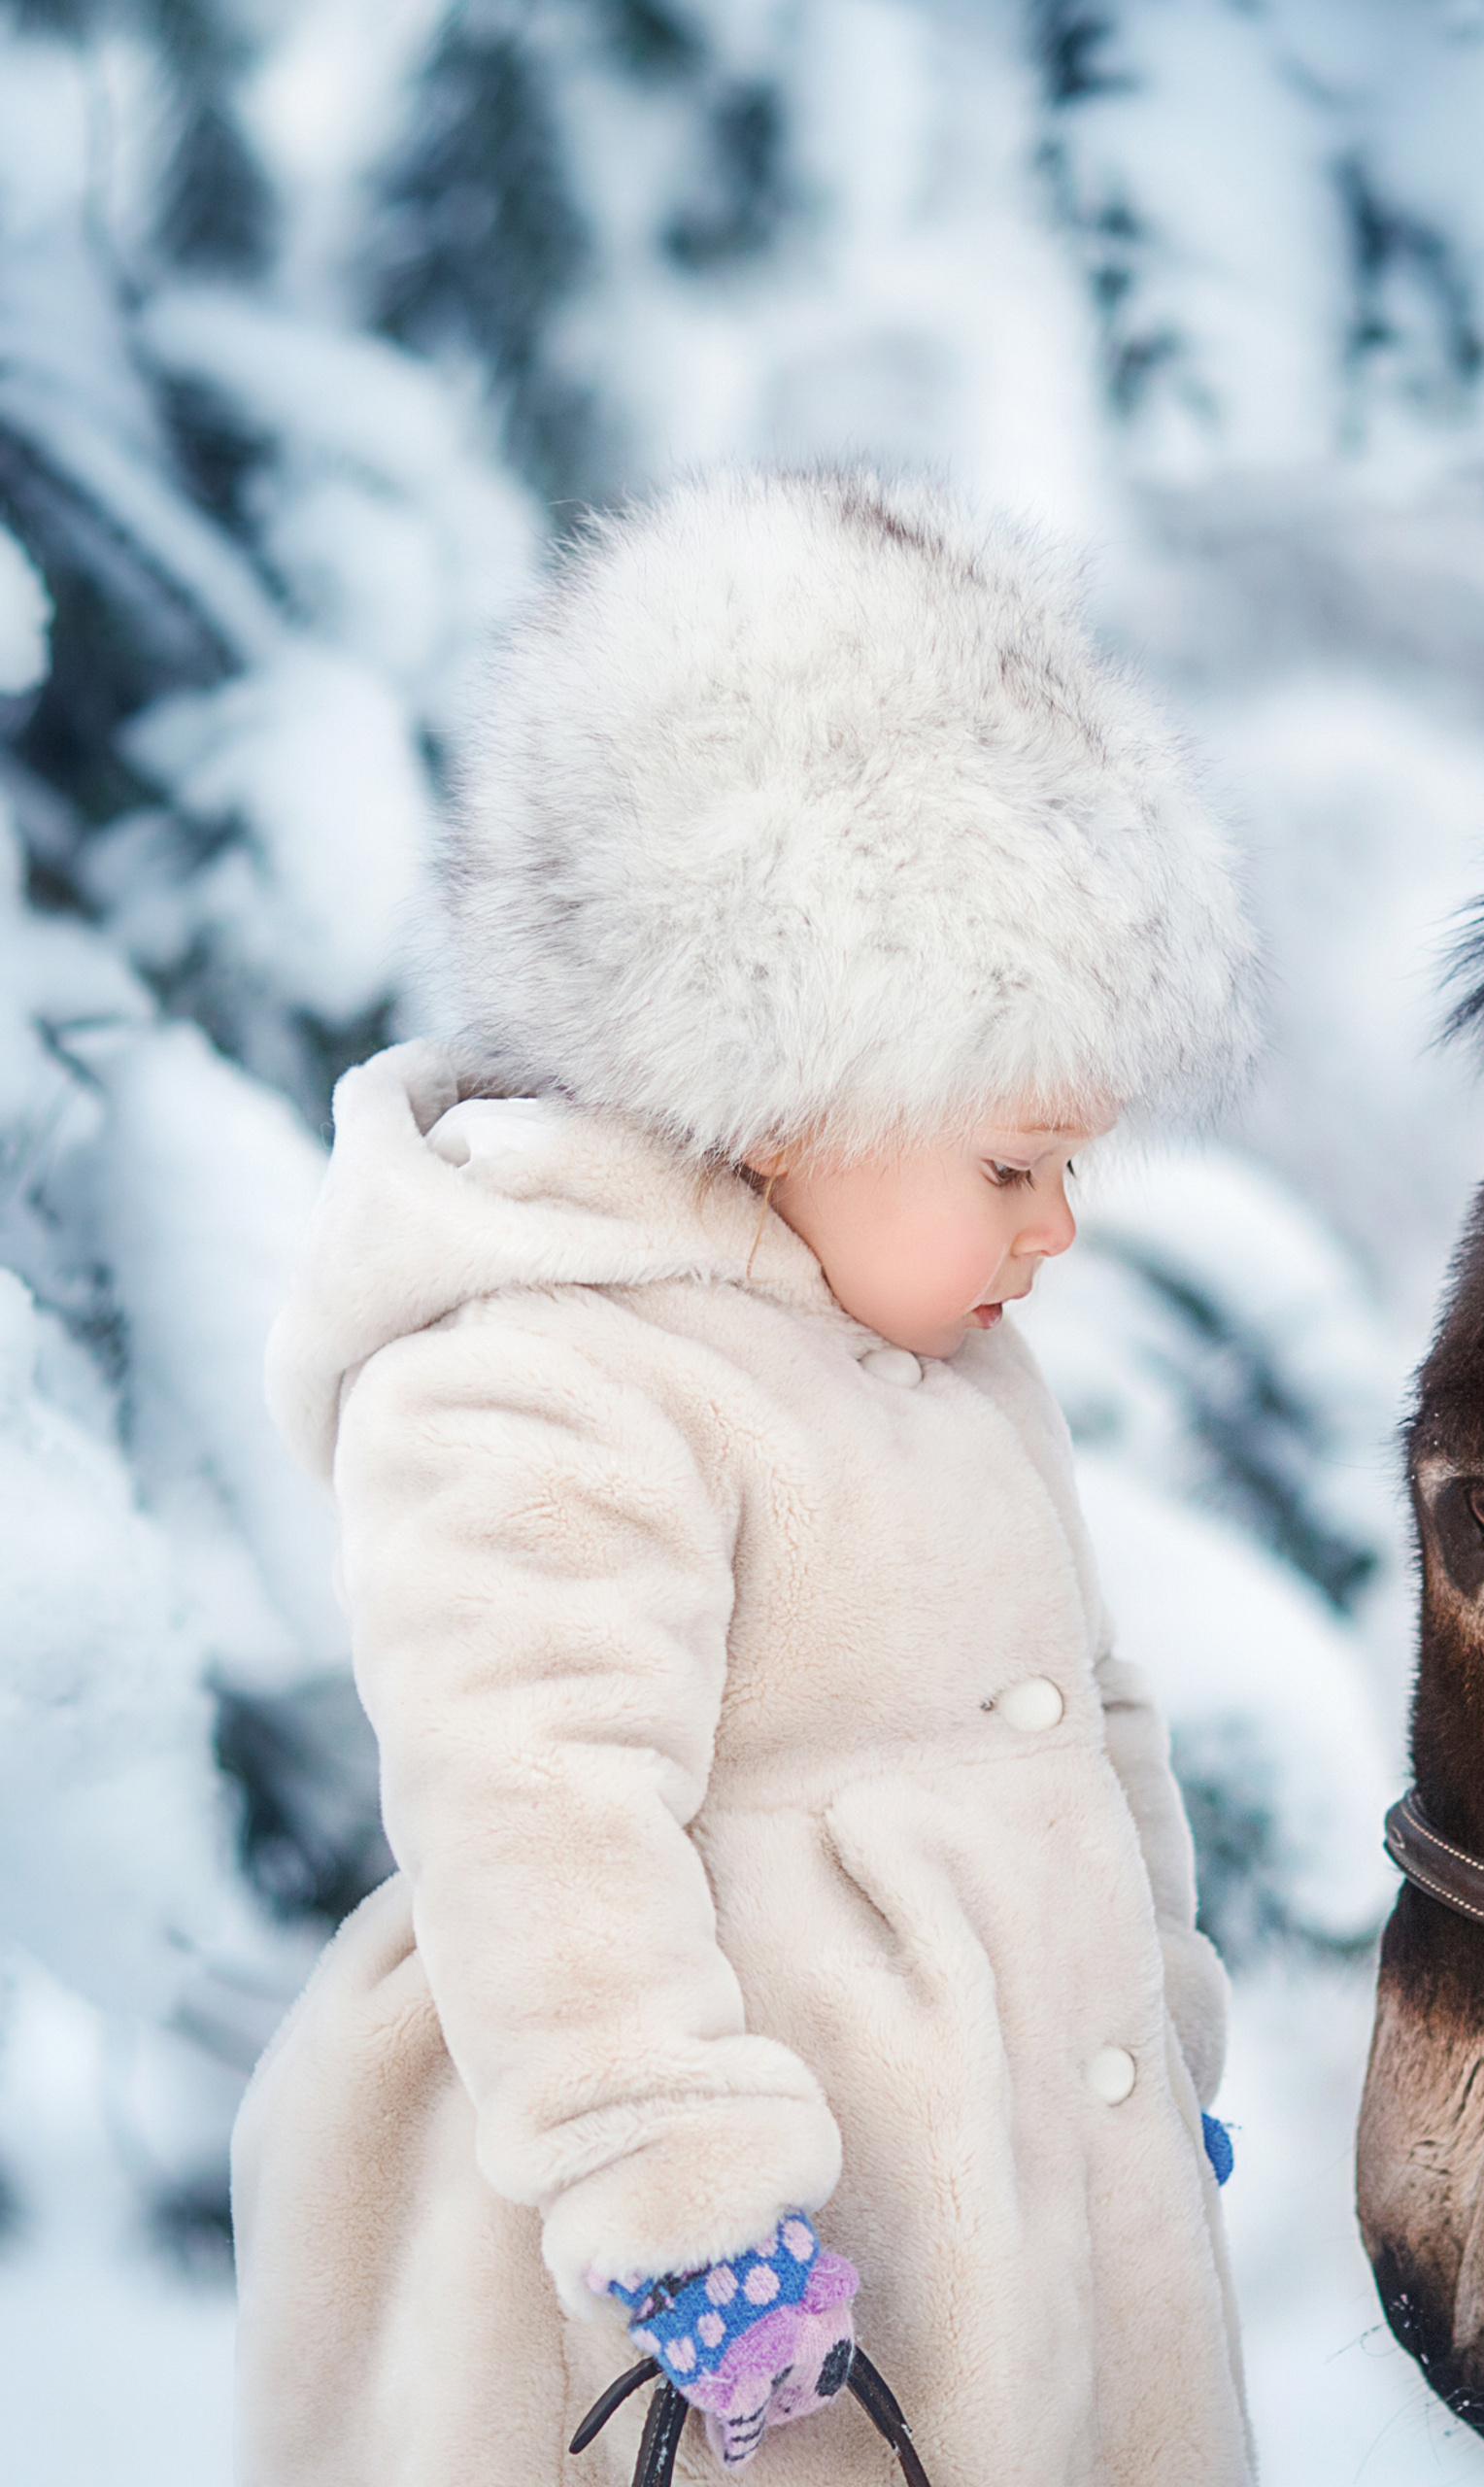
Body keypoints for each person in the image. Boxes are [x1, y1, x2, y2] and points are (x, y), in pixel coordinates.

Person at [233, 469, 1261, 2486]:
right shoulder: (542, 1364)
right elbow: (532, 1808)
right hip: (702, 2296)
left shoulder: (955, 1370)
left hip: (1008, 2228)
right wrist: (680, 2204)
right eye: (1012, 1160)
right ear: (792, 1082)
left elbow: (1087, 1716)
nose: (1056, 1223)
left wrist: (1149, 2038)